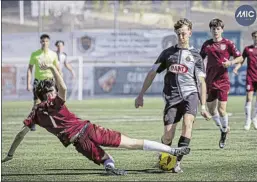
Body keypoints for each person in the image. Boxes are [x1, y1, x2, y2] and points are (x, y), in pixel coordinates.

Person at [2, 62, 190, 176]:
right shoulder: (55, 104)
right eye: (51, 90)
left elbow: (20, 135)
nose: (54, 91)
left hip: (78, 143)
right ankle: (172, 149)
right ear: (48, 94)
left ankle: (109, 166)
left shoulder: (35, 113)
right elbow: (65, 88)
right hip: (89, 130)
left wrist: (10, 154)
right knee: (132, 143)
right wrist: (52, 67)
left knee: (108, 160)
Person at [135, 18, 211, 173]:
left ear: (190, 32)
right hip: (172, 97)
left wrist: (203, 105)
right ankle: (164, 156)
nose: (181, 36)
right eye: (178, 34)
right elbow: (151, 73)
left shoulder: (196, 55)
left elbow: (202, 82)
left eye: (184, 33)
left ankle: (177, 162)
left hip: (191, 94)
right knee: (168, 136)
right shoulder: (167, 53)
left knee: (187, 125)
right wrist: (141, 94)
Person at [200, 18, 243, 148]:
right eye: (213, 29)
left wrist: (230, 63)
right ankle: (222, 127)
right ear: (210, 30)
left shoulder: (228, 43)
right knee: (212, 110)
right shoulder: (206, 45)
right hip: (209, 81)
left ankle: (224, 131)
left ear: (222, 30)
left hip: (223, 81)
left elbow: (240, 57)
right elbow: (199, 59)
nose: (215, 31)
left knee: (221, 109)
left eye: (218, 29)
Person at [27, 34, 61, 131]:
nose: (44, 43)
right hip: (38, 82)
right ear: (40, 42)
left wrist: (59, 82)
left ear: (49, 42)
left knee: (52, 103)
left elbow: (58, 69)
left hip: (49, 82)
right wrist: (28, 83)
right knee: (36, 104)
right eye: (42, 41)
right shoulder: (35, 54)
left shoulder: (53, 54)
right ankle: (32, 122)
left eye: (46, 41)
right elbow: (29, 69)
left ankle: (56, 123)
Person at [233, 31, 257, 130]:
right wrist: (236, 68)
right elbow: (242, 60)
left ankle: (255, 119)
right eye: (255, 36)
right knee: (249, 98)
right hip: (250, 77)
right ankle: (247, 121)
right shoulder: (248, 49)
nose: (256, 38)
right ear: (252, 37)